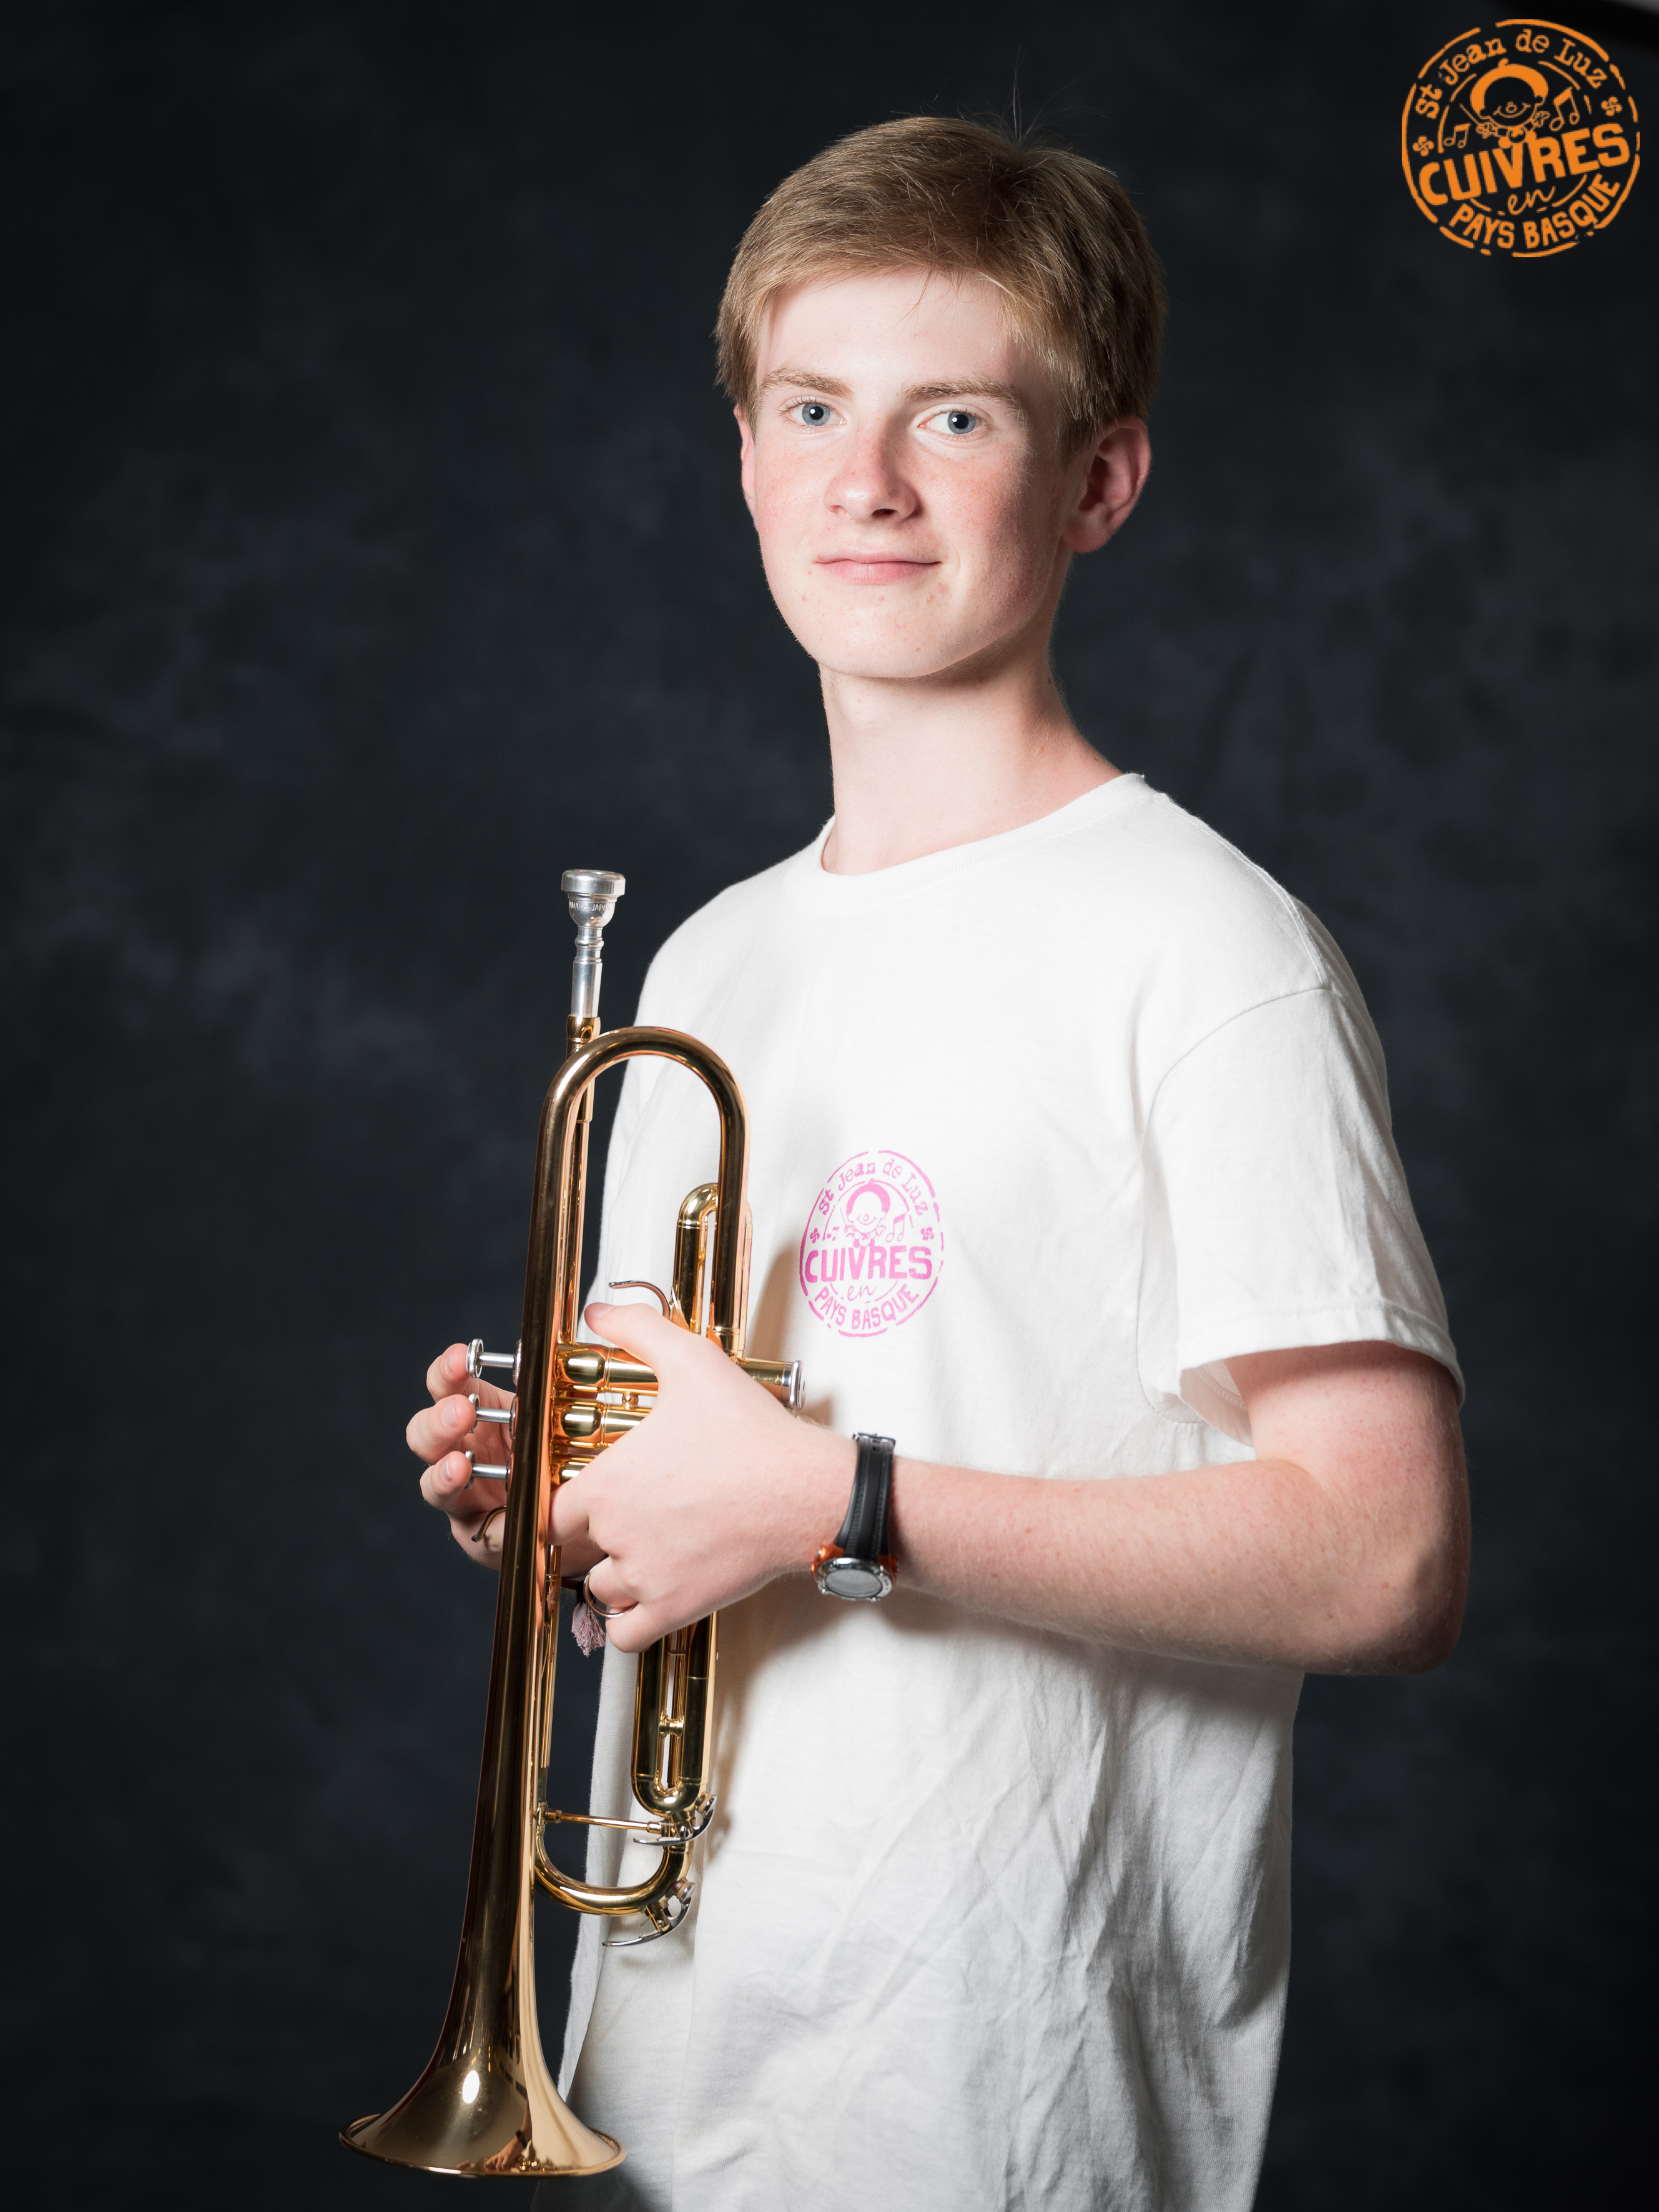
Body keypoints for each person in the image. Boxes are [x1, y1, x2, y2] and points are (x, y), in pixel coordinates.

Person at [406, 117, 1468, 2212]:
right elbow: (707, 1496)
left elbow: (1385, 1558)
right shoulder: (708, 958)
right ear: (743, 456)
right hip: (660, 2072)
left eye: (953, 416)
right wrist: (565, 1493)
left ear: (1097, 481)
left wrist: (834, 1503)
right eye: (811, 408)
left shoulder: (1204, 949)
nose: (865, 480)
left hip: (994, 2105)